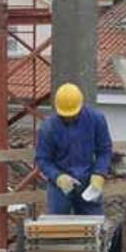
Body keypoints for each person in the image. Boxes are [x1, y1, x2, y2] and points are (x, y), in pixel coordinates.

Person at [35, 82, 113, 215]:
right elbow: (42, 159)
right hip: (60, 185)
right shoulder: (49, 127)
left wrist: (99, 173)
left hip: (89, 182)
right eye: (65, 116)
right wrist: (58, 176)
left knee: (93, 227)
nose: (69, 118)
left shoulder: (96, 120)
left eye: (73, 115)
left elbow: (104, 150)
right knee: (59, 226)